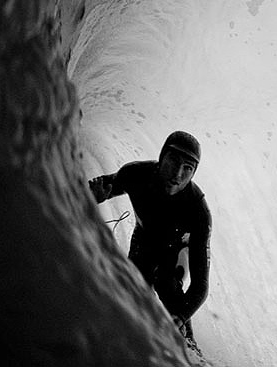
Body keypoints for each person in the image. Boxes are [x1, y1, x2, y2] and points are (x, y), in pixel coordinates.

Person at [88, 130, 212, 342]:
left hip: (176, 252)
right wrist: (92, 196)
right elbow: (92, 188)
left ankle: (189, 346)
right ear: (162, 157)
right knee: (132, 290)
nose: (178, 174)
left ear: (193, 174)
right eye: (173, 161)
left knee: (166, 285)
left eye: (187, 168)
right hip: (144, 242)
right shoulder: (136, 174)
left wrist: (180, 318)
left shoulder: (198, 210)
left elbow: (200, 286)